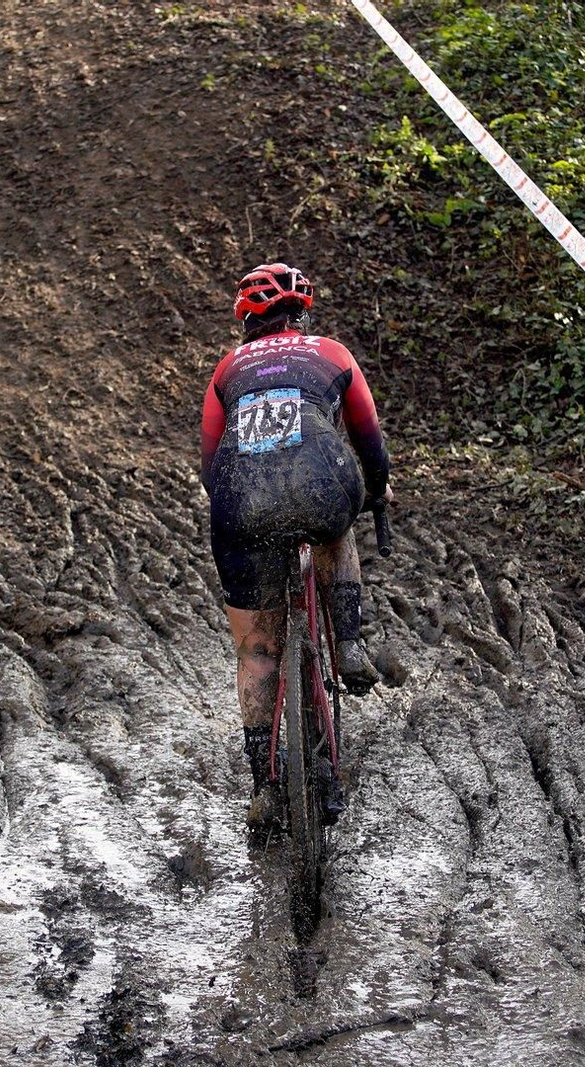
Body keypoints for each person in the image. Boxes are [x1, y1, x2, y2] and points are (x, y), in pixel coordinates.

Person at [199, 262, 392, 830]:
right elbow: (369, 438)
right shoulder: (332, 354)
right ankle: (350, 642)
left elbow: (211, 467)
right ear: (303, 313)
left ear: (247, 319)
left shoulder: (227, 368)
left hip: (241, 497)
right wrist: (376, 494)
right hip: (320, 482)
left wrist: (242, 513)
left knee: (258, 651)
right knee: (337, 525)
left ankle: (263, 787)